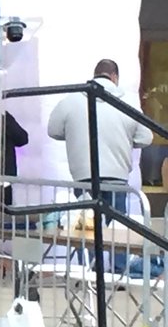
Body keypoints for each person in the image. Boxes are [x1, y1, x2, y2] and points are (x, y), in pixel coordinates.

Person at [47, 58, 152, 220]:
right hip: (117, 180)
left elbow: (53, 130)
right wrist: (126, 140)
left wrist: (74, 135)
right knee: (115, 233)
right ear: (114, 77)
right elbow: (146, 138)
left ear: (94, 75)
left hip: (83, 178)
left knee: (83, 230)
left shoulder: (70, 100)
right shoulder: (128, 104)